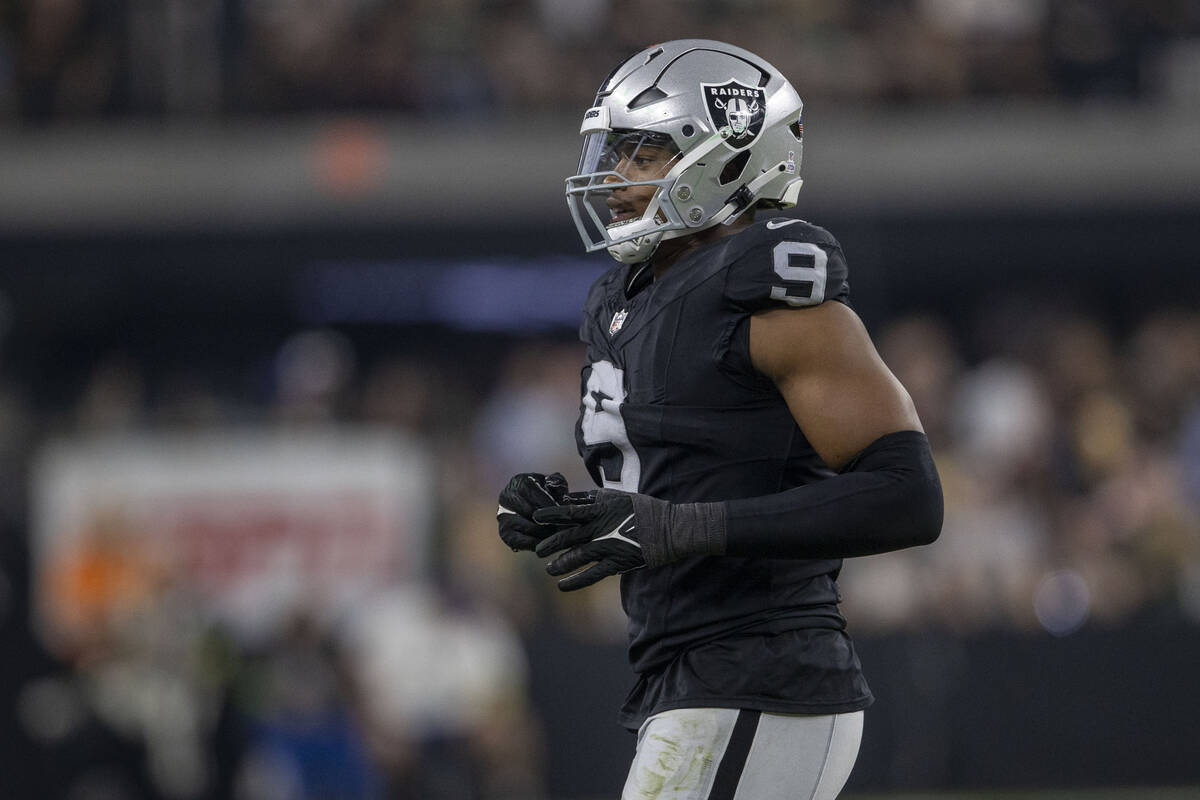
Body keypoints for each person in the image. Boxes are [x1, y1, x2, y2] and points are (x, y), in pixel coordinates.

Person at [497, 39, 943, 800]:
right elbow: (675, 480)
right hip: (685, 670)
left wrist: (682, 529)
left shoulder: (769, 291)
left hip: (762, 669)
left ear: (724, 153)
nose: (612, 175)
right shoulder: (624, 302)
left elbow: (907, 496)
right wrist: (569, 515)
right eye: (613, 148)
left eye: (641, 152)